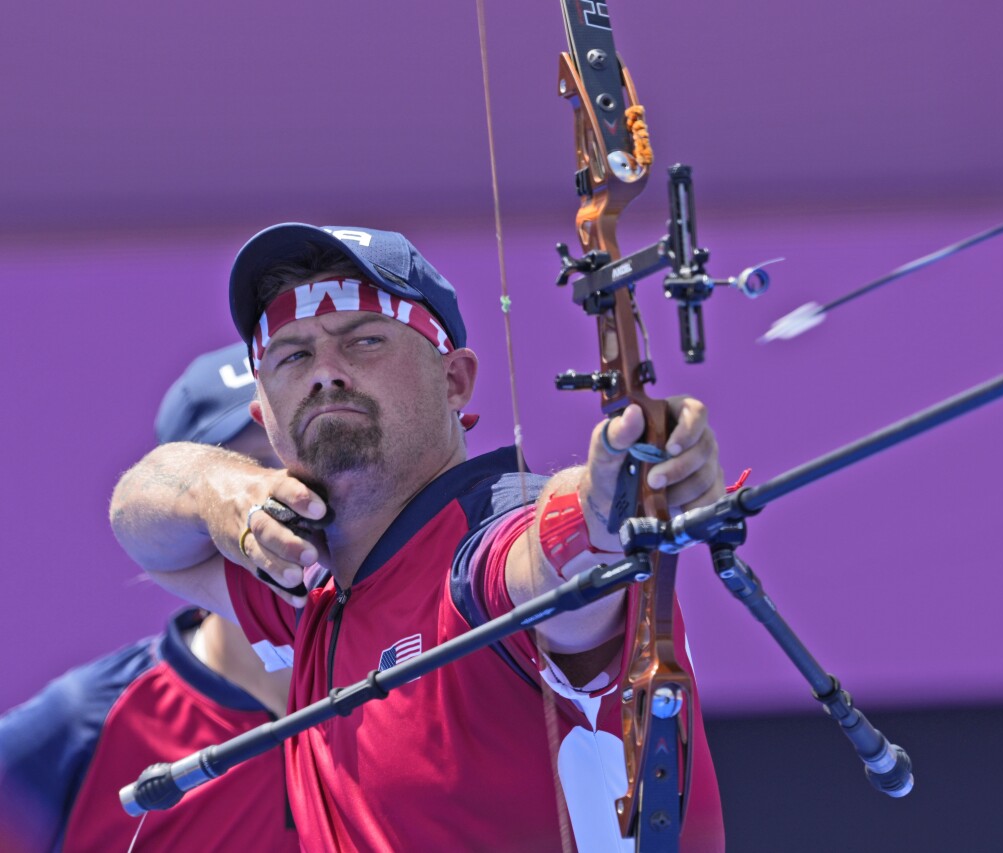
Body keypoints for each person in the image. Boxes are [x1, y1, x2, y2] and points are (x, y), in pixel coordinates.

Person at [109, 224, 727, 851]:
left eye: (365, 341)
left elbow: (558, 570)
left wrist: (609, 498)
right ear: (264, 415)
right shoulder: (311, 575)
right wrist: (223, 492)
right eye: (293, 355)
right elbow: (146, 530)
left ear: (454, 381)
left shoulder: (484, 551)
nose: (326, 372)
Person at [0, 343, 298, 852]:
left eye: (296, 461)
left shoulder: (418, 678)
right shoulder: (86, 722)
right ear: (176, 510)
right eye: (244, 470)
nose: (278, 499)